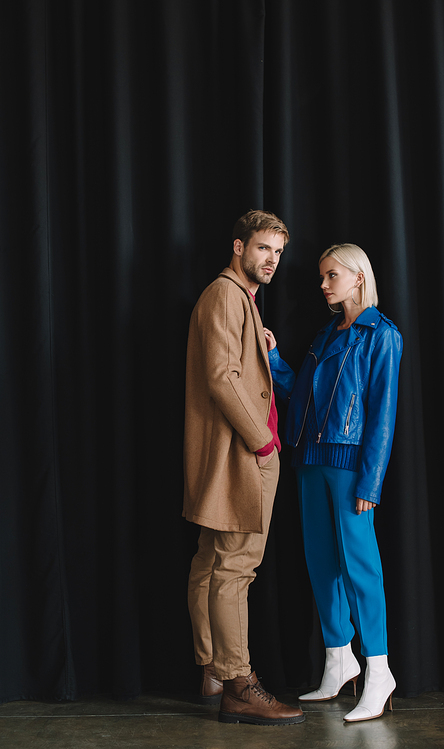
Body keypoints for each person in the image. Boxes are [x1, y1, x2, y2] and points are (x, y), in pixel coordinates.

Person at [183, 210, 303, 726]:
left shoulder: (240, 301)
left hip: (232, 453)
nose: (271, 260)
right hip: (242, 455)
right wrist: (264, 442)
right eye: (262, 249)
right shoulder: (226, 294)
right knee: (237, 568)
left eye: (278, 252)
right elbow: (221, 378)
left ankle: (212, 669)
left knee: (212, 561)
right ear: (239, 247)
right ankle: (239, 684)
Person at [278, 243, 402, 723]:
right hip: (310, 458)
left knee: (360, 567)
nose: (324, 284)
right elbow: (300, 396)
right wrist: (273, 360)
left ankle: (379, 670)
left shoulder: (381, 335)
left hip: (351, 465)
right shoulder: (327, 334)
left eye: (332, 275)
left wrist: (370, 482)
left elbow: (382, 417)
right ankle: (338, 658)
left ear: (358, 277)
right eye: (323, 276)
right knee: (321, 560)